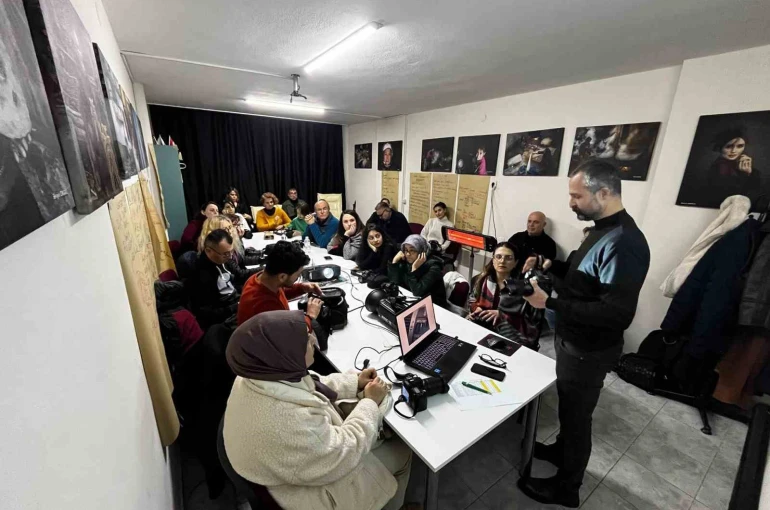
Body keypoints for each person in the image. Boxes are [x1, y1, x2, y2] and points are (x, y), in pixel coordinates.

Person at [517, 160, 650, 507]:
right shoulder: (599, 229)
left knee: (577, 419)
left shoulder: (624, 243)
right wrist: (551, 266)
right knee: (567, 411)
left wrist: (552, 304)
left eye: (577, 196)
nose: (571, 203)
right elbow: (583, 280)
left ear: (603, 193)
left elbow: (616, 313)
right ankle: (562, 453)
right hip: (572, 340)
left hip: (588, 349)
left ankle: (567, 488)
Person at [223, 310, 418, 510]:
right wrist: (369, 402)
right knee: (402, 451)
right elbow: (343, 452)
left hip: (288, 465)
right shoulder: (288, 420)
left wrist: (355, 382)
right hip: (309, 491)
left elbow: (310, 382)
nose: (313, 341)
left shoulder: (259, 371)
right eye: (305, 340)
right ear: (286, 355)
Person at [237, 240, 322, 326]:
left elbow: (280, 292)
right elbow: (291, 333)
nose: (297, 278)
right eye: (298, 275)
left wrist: (302, 288)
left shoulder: (262, 279)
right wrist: (310, 316)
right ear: (282, 277)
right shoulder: (266, 307)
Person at [468, 242, 526, 339]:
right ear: (493, 260)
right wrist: (476, 309)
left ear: (516, 262)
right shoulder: (482, 279)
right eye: (498, 257)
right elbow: (472, 300)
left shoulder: (522, 287)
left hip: (508, 332)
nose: (502, 261)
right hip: (482, 325)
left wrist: (502, 315)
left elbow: (528, 319)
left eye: (508, 258)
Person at [187, 229, 240, 328]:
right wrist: (234, 308)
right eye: (225, 253)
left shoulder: (223, 259)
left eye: (231, 251)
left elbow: (239, 275)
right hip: (224, 319)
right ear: (208, 251)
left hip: (235, 303)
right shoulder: (199, 274)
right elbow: (204, 313)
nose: (229, 256)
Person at [198, 215, 259, 291]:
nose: (230, 231)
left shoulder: (227, 248)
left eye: (230, 227)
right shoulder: (212, 259)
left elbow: (242, 259)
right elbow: (239, 275)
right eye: (225, 229)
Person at [705, 128, 762, 206]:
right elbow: (729, 198)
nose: (734, 151)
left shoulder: (744, 165)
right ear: (720, 147)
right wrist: (745, 175)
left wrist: (750, 173)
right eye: (728, 146)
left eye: (740, 146)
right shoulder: (717, 169)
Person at [388, 234, 447, 308]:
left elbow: (417, 291)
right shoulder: (406, 262)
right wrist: (394, 262)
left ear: (422, 251)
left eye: (412, 250)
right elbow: (394, 283)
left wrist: (414, 269)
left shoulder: (434, 267)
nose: (408, 254)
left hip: (435, 306)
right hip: (413, 301)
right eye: (405, 250)